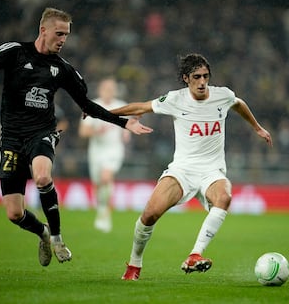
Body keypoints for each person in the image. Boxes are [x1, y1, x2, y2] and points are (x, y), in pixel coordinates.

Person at [0, 7, 152, 267]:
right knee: (14, 213)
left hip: (41, 134)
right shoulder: (14, 52)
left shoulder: (62, 69)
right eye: (59, 33)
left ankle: (57, 237)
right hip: (11, 138)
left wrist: (124, 122)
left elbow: (87, 106)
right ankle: (43, 233)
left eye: (66, 34)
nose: (63, 39)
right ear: (43, 30)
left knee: (43, 176)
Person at [110, 53, 273, 280]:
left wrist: (256, 127)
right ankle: (134, 265)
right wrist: (104, 114)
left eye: (206, 76)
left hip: (212, 171)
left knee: (224, 198)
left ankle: (195, 254)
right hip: (182, 171)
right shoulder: (175, 99)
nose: (202, 82)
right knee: (149, 215)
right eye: (197, 77)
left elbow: (238, 103)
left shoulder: (222, 95)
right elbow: (141, 107)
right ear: (186, 78)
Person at [79, 77, 130, 233]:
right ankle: (102, 210)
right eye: (106, 88)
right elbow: (83, 132)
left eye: (112, 88)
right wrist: (96, 131)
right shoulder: (92, 105)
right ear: (101, 90)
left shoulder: (121, 106)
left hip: (114, 149)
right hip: (96, 151)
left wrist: (126, 134)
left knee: (106, 177)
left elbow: (127, 127)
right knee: (98, 183)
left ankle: (105, 214)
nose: (109, 91)